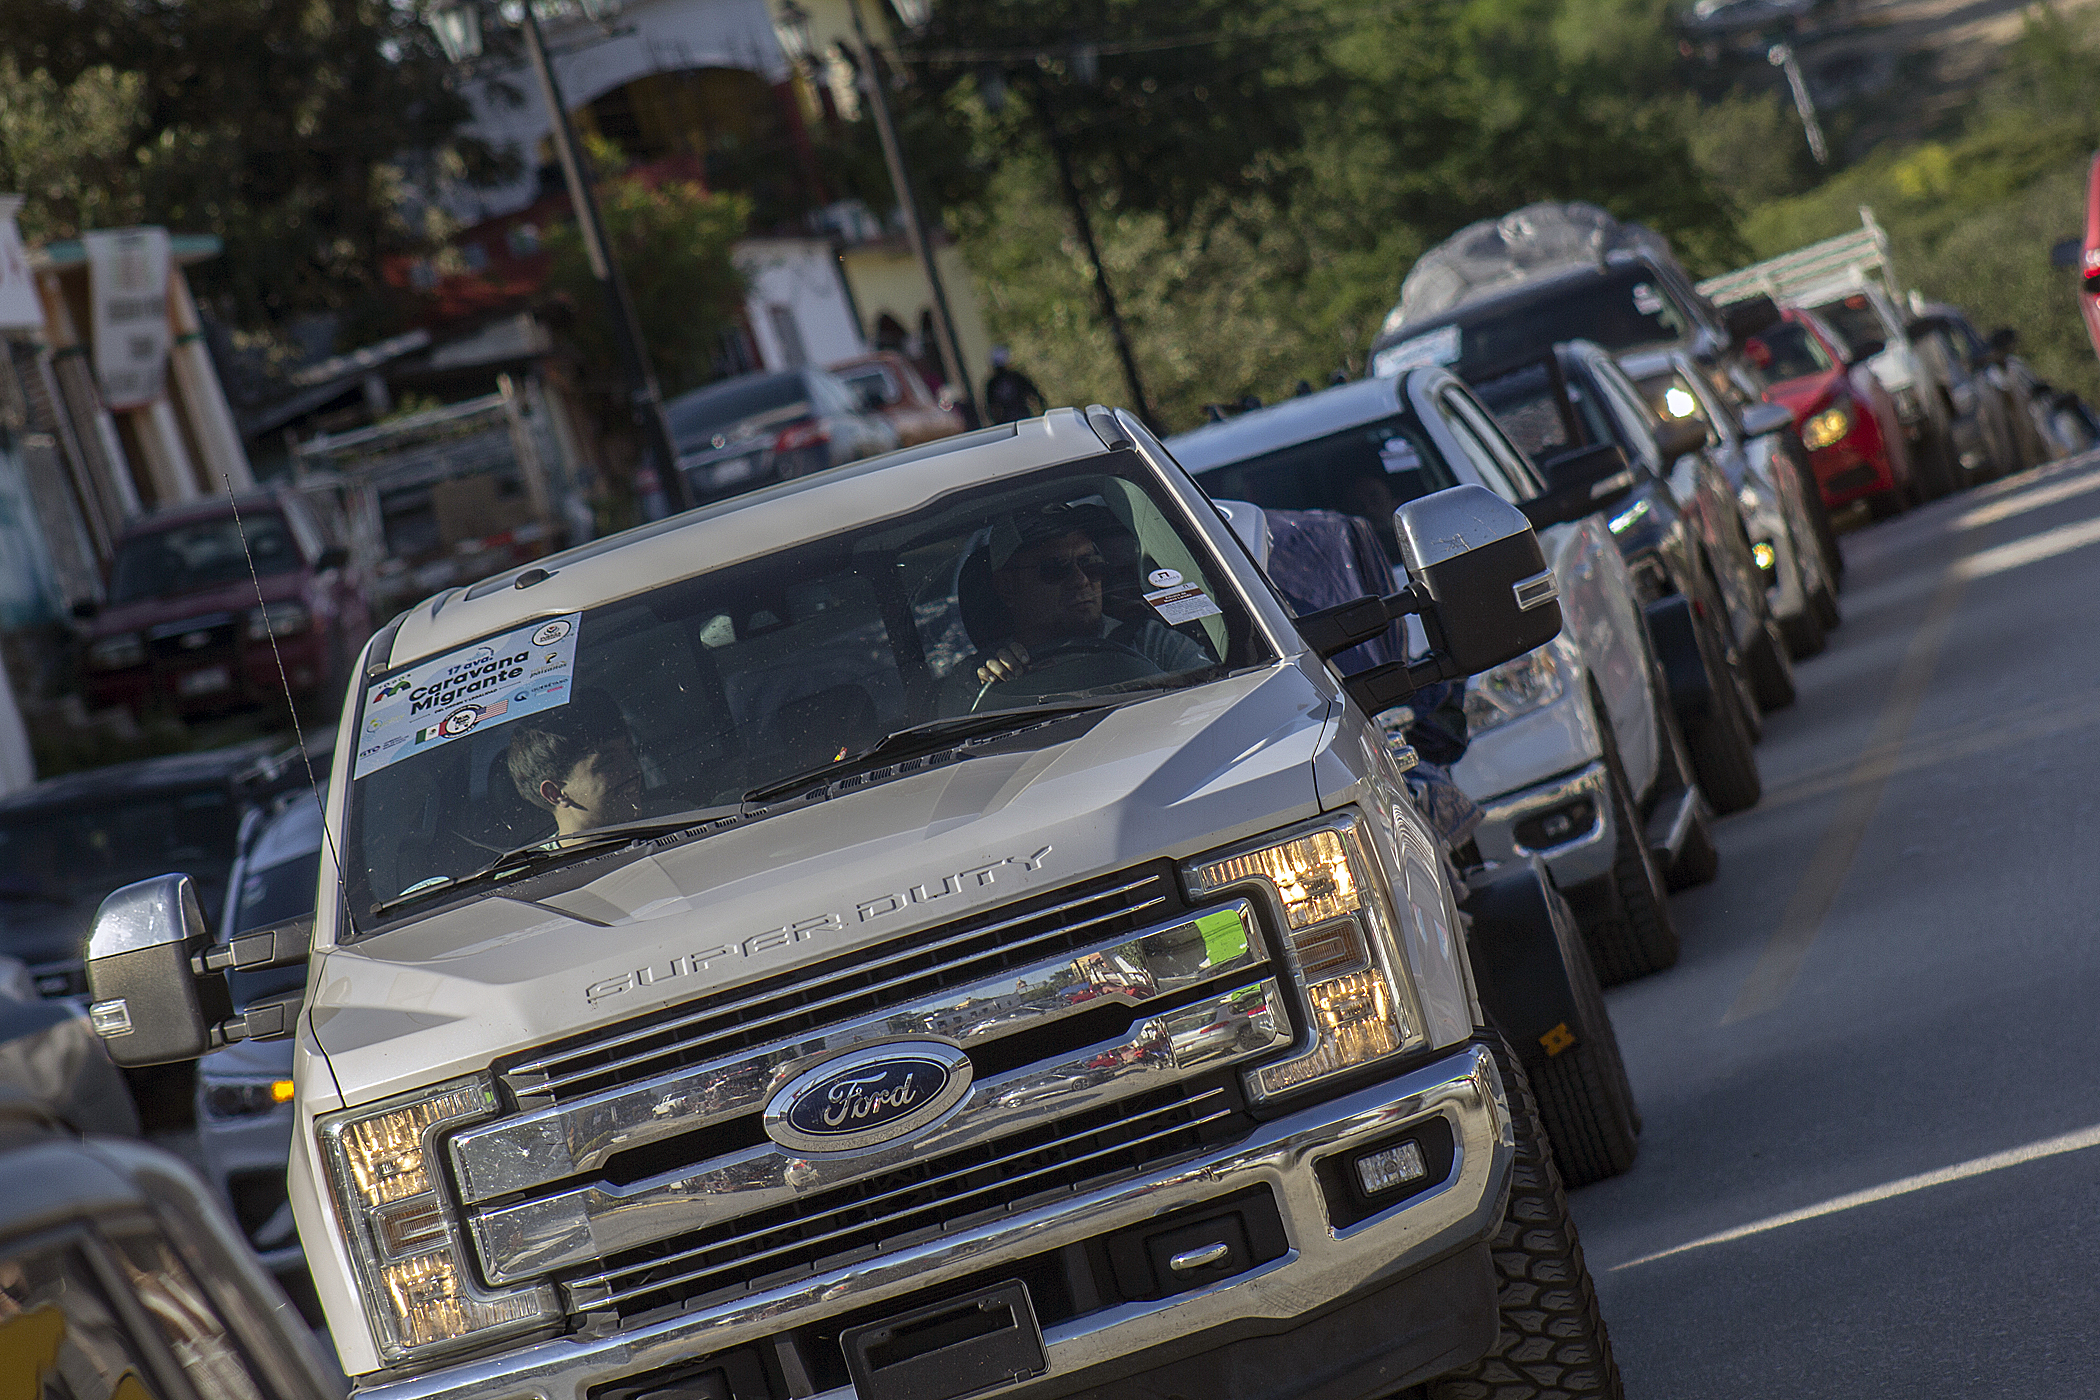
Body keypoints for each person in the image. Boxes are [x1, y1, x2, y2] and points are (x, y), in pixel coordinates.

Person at [966, 502, 1211, 693]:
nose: (1081, 580)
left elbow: (1214, 698)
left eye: (1091, 564)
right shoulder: (979, 676)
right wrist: (999, 691)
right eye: (1055, 568)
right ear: (1008, 588)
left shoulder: (1155, 645)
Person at [505, 689, 645, 840]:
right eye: (608, 762)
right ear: (555, 793)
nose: (634, 769)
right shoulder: (542, 864)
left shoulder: (671, 820)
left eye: (630, 752)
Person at [983, 346, 1045, 425]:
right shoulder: (1015, 377)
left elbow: (990, 407)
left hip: (1007, 421)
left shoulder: (992, 383)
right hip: (1022, 415)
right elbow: (1032, 391)